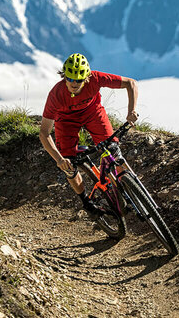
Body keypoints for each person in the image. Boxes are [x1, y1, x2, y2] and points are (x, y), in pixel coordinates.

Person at [39, 53, 139, 217]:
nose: (73, 83)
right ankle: (86, 202)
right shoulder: (56, 95)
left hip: (93, 113)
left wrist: (131, 111)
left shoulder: (95, 78)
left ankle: (128, 188)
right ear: (64, 76)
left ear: (86, 77)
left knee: (112, 149)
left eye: (78, 80)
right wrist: (59, 160)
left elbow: (131, 83)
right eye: (69, 78)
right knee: (69, 166)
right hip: (66, 121)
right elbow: (44, 133)